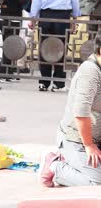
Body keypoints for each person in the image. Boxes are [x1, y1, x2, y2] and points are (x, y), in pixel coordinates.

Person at [39, 32, 101, 187]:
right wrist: (88, 145)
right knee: (97, 184)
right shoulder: (90, 72)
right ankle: (55, 165)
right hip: (77, 141)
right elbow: (80, 113)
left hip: (98, 139)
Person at [30, 0, 81, 92]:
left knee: (44, 46)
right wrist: (75, 18)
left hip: (45, 16)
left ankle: (44, 82)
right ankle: (59, 83)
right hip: (63, 17)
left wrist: (33, 18)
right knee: (61, 47)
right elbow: (75, 0)